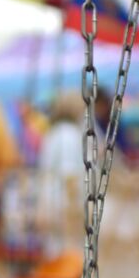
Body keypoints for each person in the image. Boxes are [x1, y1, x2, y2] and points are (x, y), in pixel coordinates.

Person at [37, 91, 85, 245]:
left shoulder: (53, 133)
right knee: (66, 250)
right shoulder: (68, 135)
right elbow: (69, 174)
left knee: (54, 249)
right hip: (63, 203)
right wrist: (74, 209)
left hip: (51, 199)